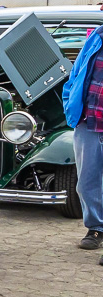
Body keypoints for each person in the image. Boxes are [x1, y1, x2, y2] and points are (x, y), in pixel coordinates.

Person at [62, 24, 103, 255]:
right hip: (89, 122)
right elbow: (76, 73)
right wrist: (70, 104)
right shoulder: (96, 37)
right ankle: (96, 228)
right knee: (87, 182)